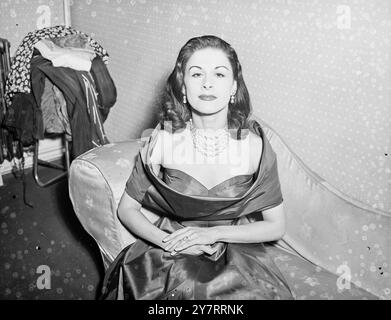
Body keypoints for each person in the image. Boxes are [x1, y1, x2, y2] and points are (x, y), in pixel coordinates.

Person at [100, 35, 294, 300]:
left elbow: (275, 226)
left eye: (219, 73)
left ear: (234, 86)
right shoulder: (163, 140)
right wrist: (175, 244)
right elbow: (127, 209)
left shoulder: (255, 147)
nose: (207, 83)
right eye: (196, 74)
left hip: (234, 247)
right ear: (183, 87)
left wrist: (213, 234)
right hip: (172, 247)